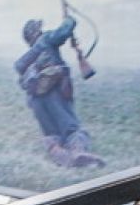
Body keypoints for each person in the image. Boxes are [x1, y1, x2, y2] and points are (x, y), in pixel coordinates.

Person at [14, 17, 102, 169]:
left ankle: (59, 154)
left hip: (35, 100)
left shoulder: (26, 59)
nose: (43, 31)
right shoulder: (46, 39)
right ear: (36, 33)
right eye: (39, 29)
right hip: (55, 92)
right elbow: (64, 31)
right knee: (71, 128)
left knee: (51, 131)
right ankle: (77, 152)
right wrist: (70, 20)